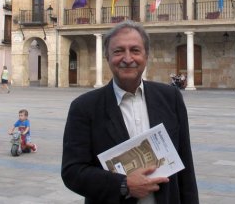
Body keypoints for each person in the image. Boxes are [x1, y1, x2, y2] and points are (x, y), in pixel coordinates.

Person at [62, 20, 199, 204]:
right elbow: (72, 172)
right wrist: (123, 185)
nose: (127, 58)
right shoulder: (84, 107)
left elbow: (186, 168)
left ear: (146, 55)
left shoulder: (170, 98)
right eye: (118, 51)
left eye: (135, 50)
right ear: (107, 57)